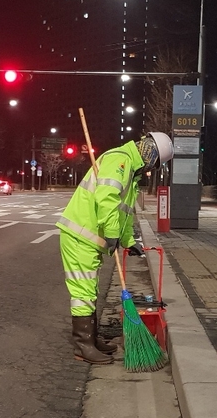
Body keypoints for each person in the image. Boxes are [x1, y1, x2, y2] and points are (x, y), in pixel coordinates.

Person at [57, 132, 174, 364]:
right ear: (151, 153)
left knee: (90, 290)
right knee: (83, 292)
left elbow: (125, 213)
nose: (153, 166)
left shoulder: (130, 171)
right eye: (156, 162)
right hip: (80, 235)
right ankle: (83, 345)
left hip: (89, 238)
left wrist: (129, 242)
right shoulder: (120, 160)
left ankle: (91, 339)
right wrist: (111, 234)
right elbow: (107, 199)